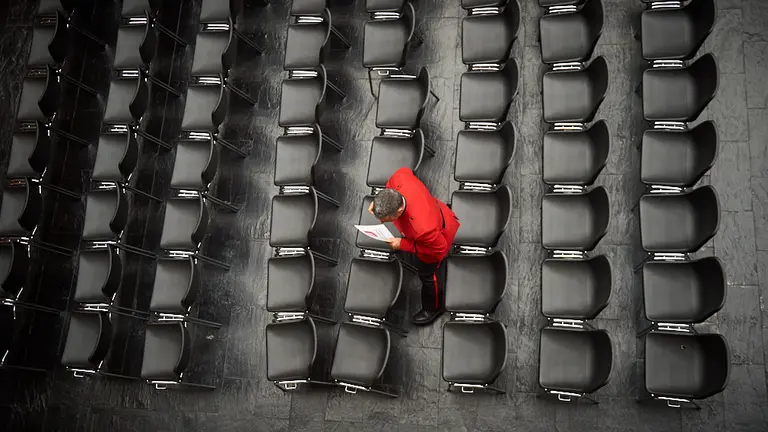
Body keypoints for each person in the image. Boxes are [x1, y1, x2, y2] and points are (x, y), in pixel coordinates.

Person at [368, 167, 460, 326]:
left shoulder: (423, 229)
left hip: (438, 236)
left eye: (385, 218)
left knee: (429, 276)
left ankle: (434, 307)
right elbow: (402, 173)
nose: (382, 222)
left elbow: (438, 250)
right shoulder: (399, 178)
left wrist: (402, 244)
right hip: (433, 212)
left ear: (399, 209)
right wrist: (377, 202)